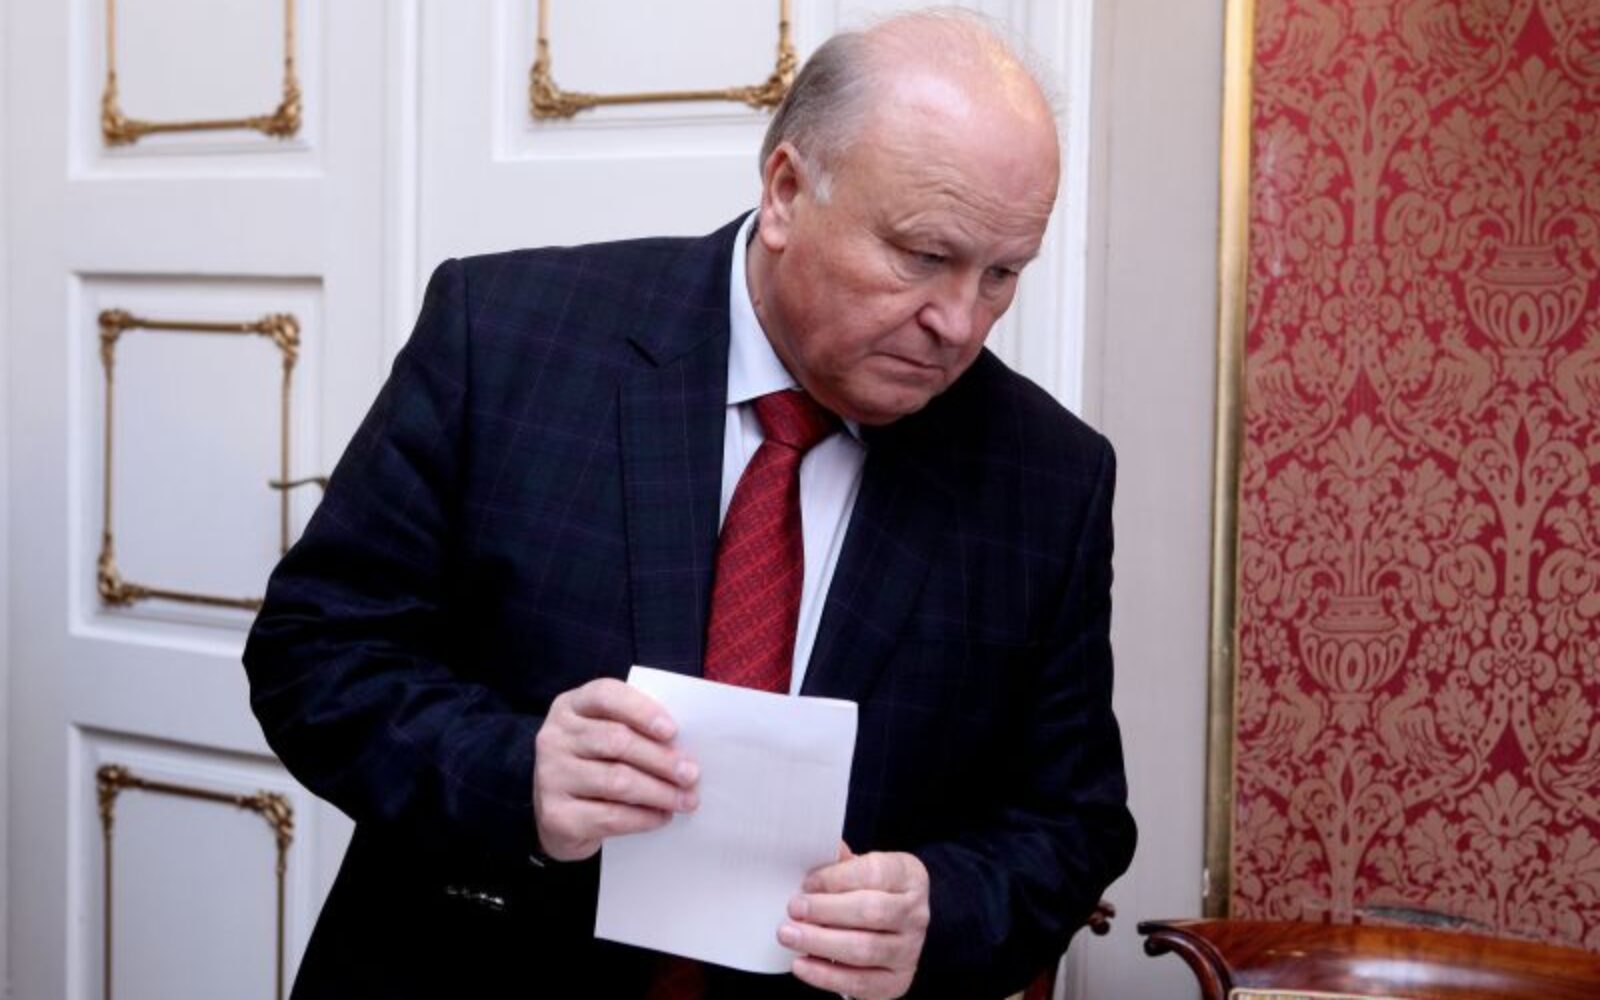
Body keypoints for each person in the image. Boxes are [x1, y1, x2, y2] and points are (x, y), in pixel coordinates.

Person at [244, 10, 1135, 999]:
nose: (959, 323)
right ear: (787, 192)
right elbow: (312, 652)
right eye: (924, 255)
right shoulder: (504, 340)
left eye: (1001, 273)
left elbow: (1071, 820)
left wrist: (938, 913)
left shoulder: (1046, 477)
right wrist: (516, 773)